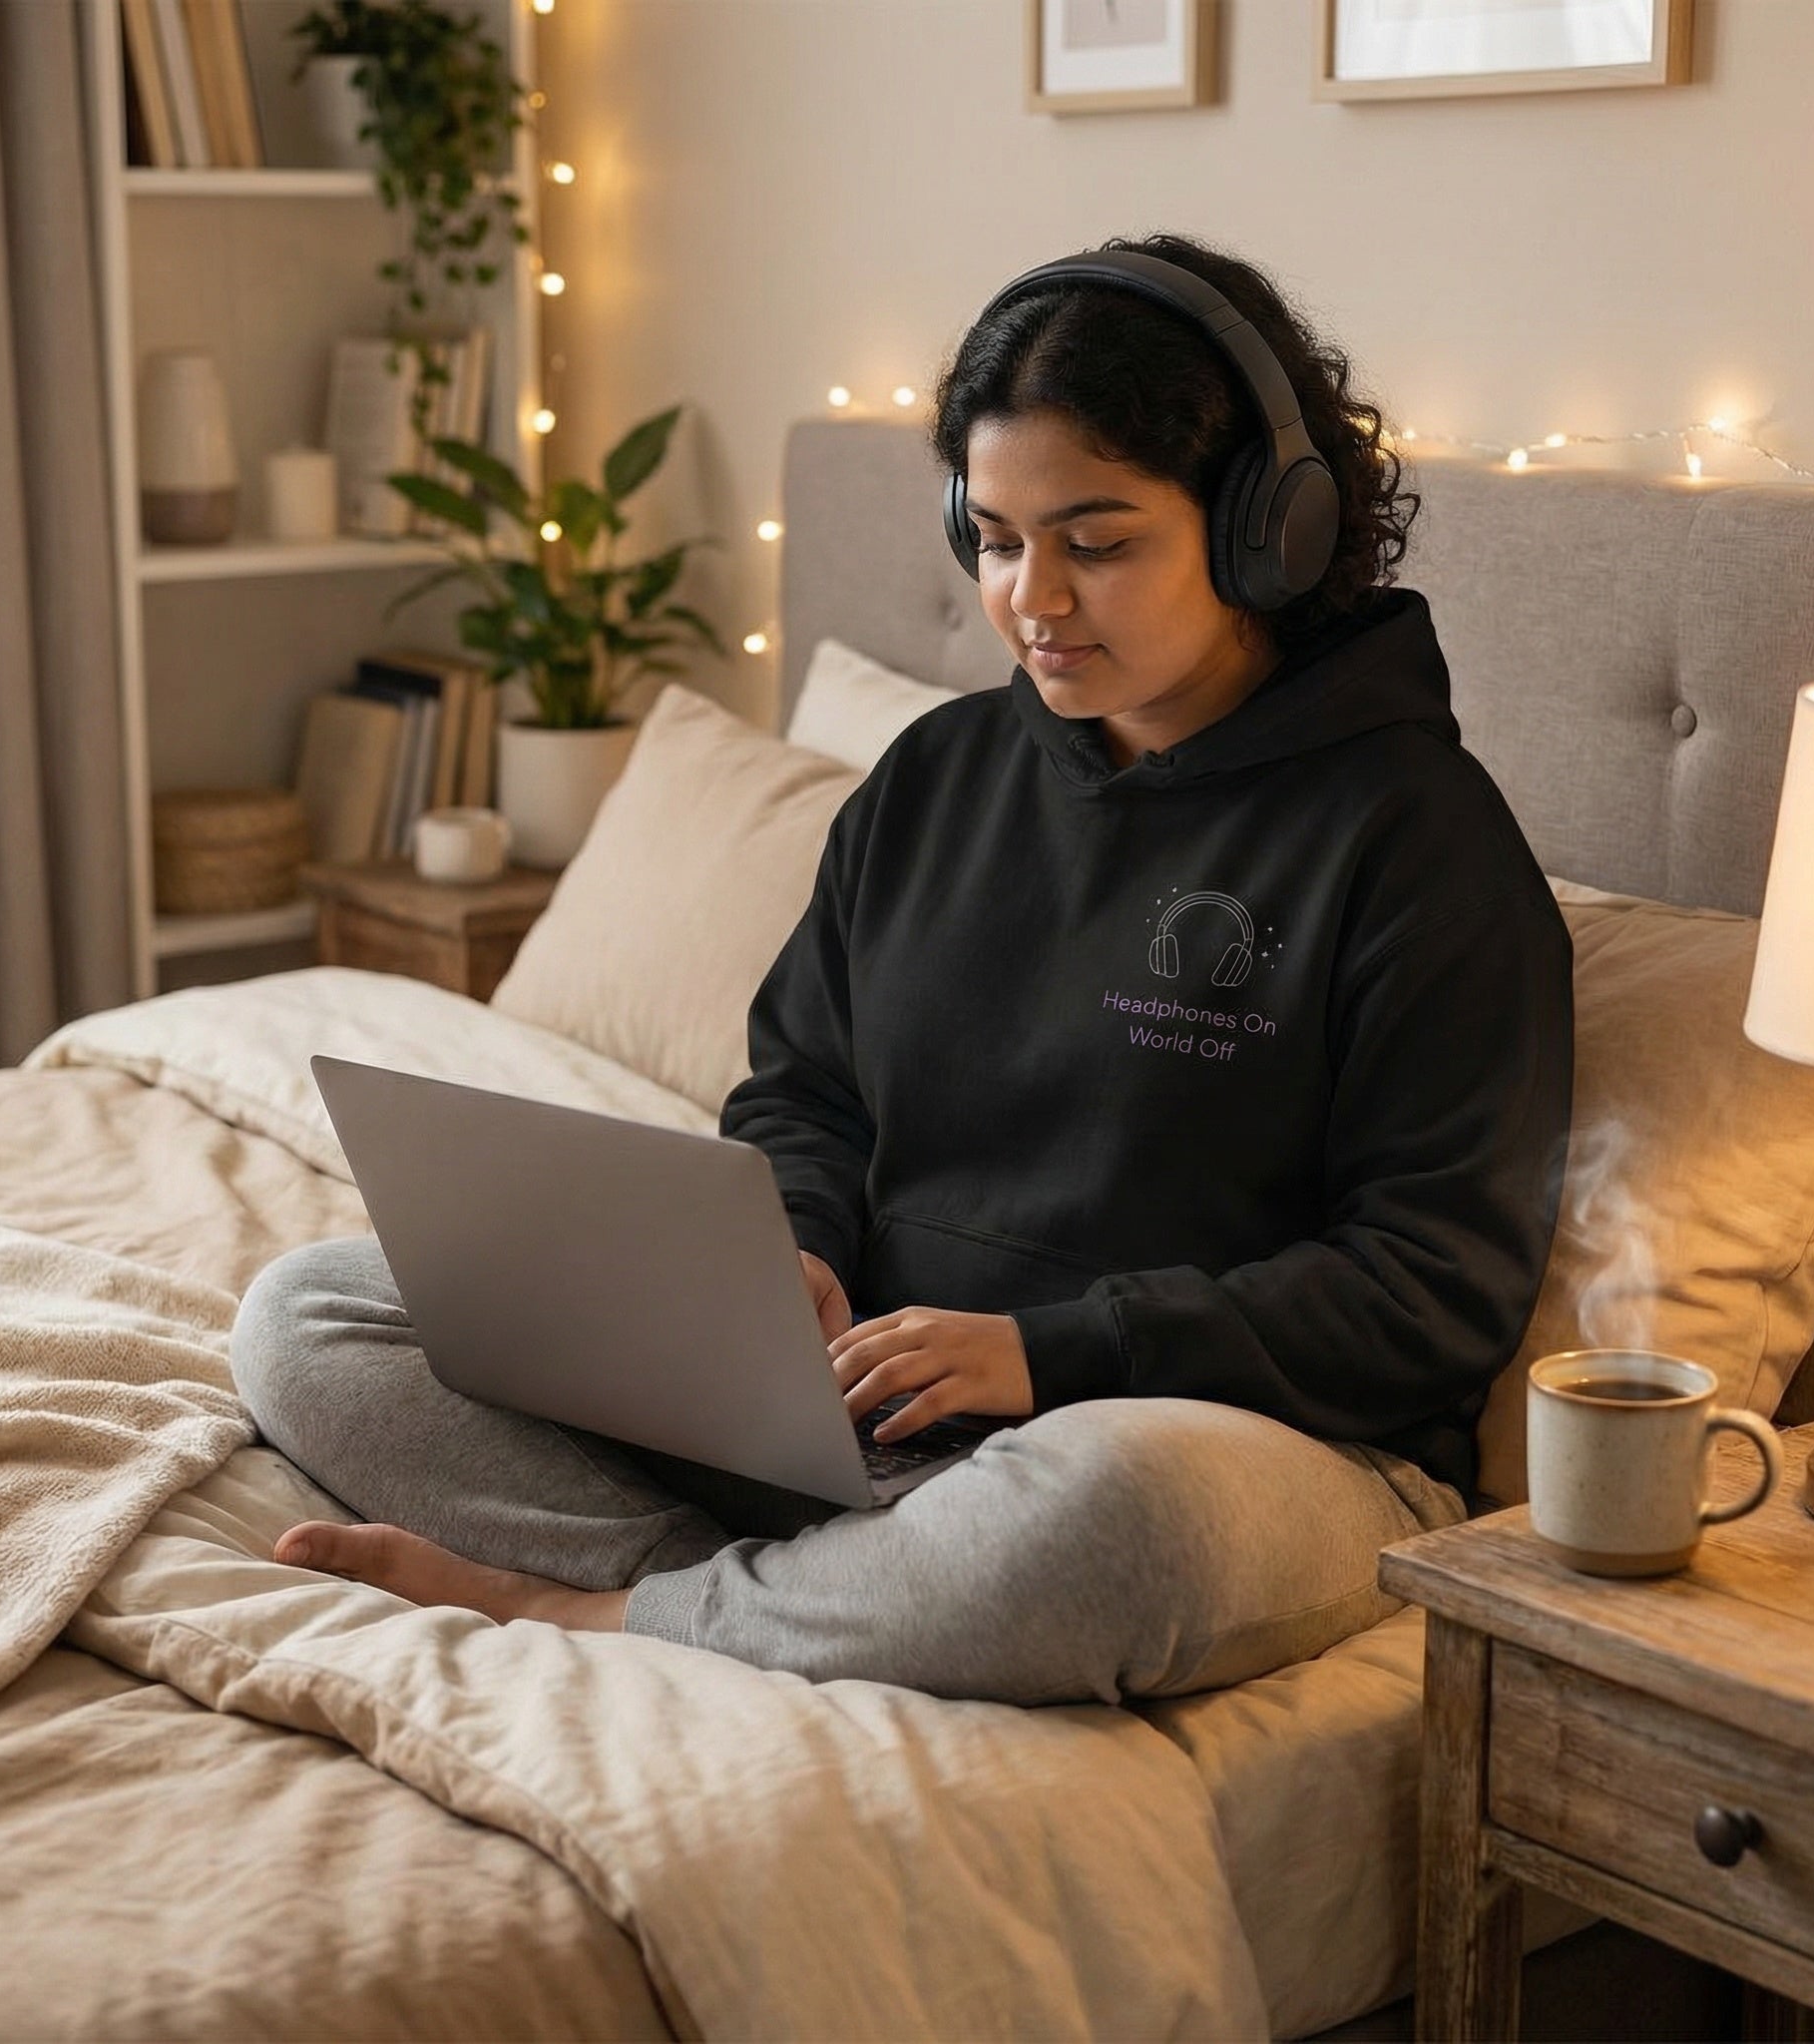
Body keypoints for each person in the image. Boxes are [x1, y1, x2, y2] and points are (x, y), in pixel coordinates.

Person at [231, 234, 1573, 1707]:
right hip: (861, 1419)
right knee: (313, 1318)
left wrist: (1049, 1355)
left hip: (1212, 1443)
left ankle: (617, 1610)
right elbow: (805, 1090)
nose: (1032, 599)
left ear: (1270, 529)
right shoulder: (937, 775)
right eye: (996, 539)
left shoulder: (1421, 843)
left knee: (1112, 1528)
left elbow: (1430, 1292)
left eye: (1098, 540)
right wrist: (788, 1254)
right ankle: (787, 1596)